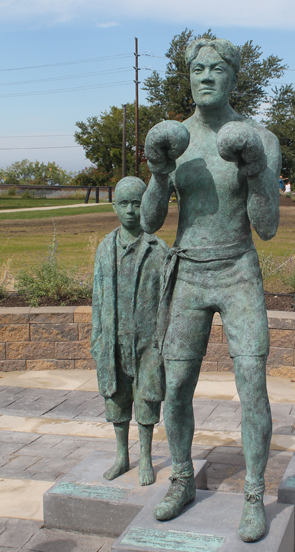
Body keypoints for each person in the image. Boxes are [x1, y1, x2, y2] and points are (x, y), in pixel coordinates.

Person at [140, 38, 281, 542]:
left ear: (233, 78)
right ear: (189, 76)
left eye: (216, 69)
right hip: (189, 273)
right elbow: (151, 222)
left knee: (252, 387)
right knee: (176, 386)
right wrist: (158, 173)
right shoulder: (176, 141)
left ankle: (253, 494)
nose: (205, 77)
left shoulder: (259, 137)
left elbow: (266, 228)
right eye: (197, 69)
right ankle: (180, 477)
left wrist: (257, 171)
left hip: (238, 270)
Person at [91, 177, 168, 486]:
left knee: (147, 400)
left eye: (137, 204)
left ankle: (146, 457)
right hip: (113, 340)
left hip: (148, 343)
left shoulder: (158, 249)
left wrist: (162, 342)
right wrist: (97, 339)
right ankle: (122, 456)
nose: (131, 211)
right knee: (117, 399)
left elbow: (167, 300)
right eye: (124, 204)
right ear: (114, 208)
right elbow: (97, 297)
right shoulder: (105, 248)